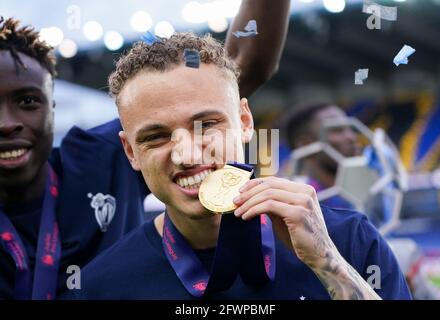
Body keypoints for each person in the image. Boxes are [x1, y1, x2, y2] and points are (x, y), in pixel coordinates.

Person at [65, 33, 411, 300]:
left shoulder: (349, 240)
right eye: (156, 137)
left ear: (245, 121)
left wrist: (328, 265)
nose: (186, 153)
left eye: (206, 125)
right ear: (130, 151)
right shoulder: (101, 285)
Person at [0, 0, 290, 299]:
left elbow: (233, 71)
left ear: (52, 108)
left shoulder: (100, 156)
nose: (6, 124)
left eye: (27, 102)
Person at [282, 104, 361, 209]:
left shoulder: (354, 195)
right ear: (306, 144)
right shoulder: (297, 204)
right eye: (337, 130)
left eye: (350, 129)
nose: (351, 137)